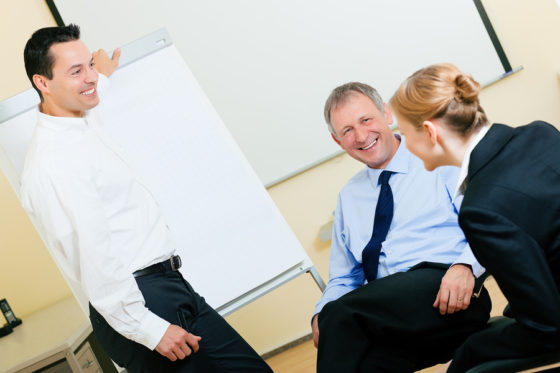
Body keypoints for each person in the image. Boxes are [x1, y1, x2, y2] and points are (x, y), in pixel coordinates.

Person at [21, 24, 272, 373]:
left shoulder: (79, 118)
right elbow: (94, 255)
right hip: (139, 303)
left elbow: (92, 90)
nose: (89, 77)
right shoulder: (54, 163)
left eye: (89, 64)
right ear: (43, 83)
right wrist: (149, 329)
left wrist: (100, 74)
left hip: (170, 289)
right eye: (76, 71)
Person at [389, 62, 560, 372]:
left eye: (403, 134)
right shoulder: (540, 132)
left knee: (469, 357)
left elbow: (549, 327)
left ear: (429, 131)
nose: (405, 145)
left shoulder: (480, 210)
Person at [312, 82, 492, 373]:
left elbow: (489, 224)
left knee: (342, 315)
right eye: (347, 131)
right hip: (389, 318)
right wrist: (320, 313)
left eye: (366, 120)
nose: (360, 136)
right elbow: (344, 277)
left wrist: (466, 267)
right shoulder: (349, 197)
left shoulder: (439, 158)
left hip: (449, 295)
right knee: (361, 361)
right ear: (337, 141)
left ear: (386, 113)